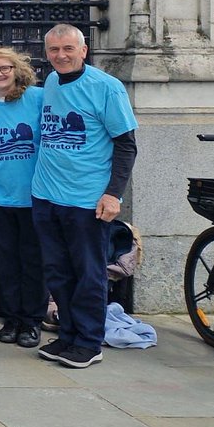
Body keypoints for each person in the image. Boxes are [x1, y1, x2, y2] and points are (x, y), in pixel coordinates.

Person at [31, 24, 138, 369]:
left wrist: (112, 194)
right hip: (46, 195)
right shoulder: (49, 82)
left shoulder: (106, 88)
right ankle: (68, 335)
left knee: (88, 273)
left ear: (83, 50)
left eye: (68, 49)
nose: (61, 55)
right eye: (54, 50)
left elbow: (126, 144)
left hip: (86, 199)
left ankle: (90, 342)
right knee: (57, 271)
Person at [0, 46, 45, 348]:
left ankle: (32, 322)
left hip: (34, 197)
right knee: (6, 261)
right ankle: (11, 318)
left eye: (4, 68)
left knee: (33, 261)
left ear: (18, 69)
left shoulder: (39, 99)